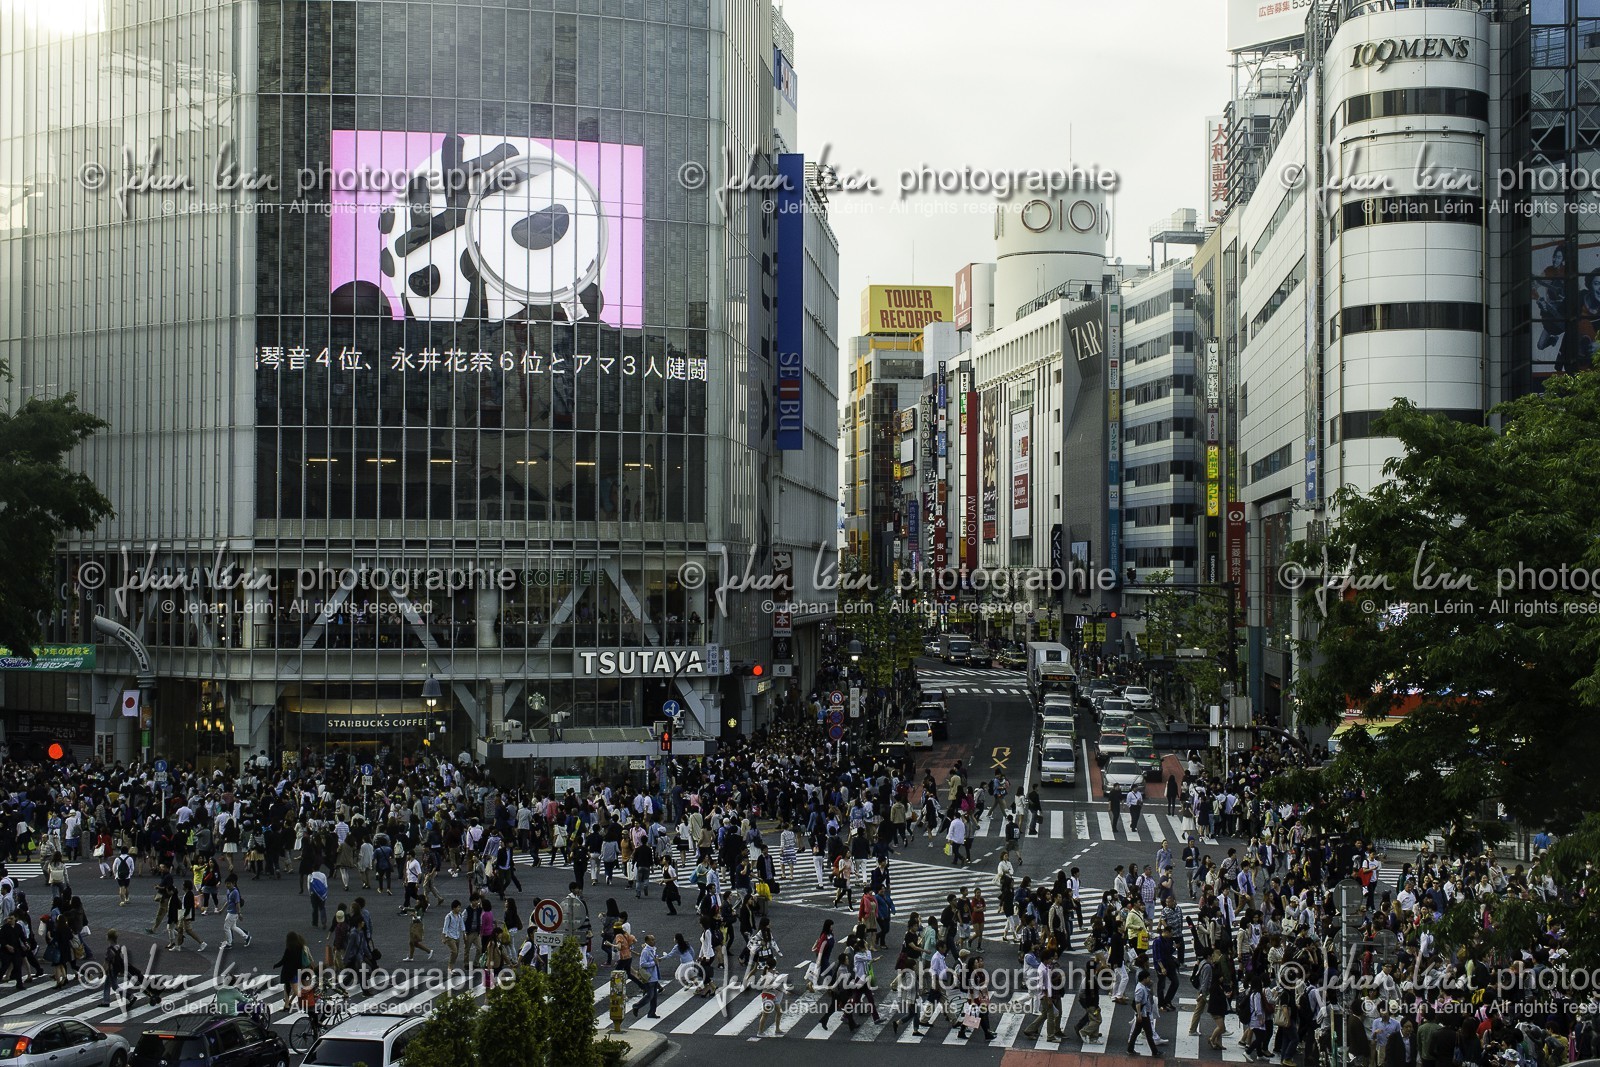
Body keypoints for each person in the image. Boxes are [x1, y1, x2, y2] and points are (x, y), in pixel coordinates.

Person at [274, 931, 312, 1011]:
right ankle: (287, 1005)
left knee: (295, 989)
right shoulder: (300, 948)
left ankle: (308, 1002)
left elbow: (284, 960)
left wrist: (276, 965)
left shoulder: (289, 948)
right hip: (297, 970)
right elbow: (300, 961)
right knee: (288, 987)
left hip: (288, 971)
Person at [1127, 968, 1161, 1056]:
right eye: (1148, 977)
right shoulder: (1140, 989)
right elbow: (1138, 1003)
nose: (1149, 979)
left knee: (1136, 1032)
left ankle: (1130, 1049)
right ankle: (1155, 1052)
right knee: (1149, 1033)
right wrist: (1139, 1015)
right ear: (1144, 978)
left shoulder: (1143, 987)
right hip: (1143, 1014)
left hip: (1144, 1013)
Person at [221, 873, 252, 949]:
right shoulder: (228, 891)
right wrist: (222, 909)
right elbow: (228, 901)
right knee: (233, 927)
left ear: (233, 884)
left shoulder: (235, 892)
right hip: (230, 911)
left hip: (233, 913)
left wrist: (239, 913)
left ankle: (229, 943)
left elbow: (237, 903)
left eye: (229, 884)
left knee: (226, 927)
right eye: (226, 884)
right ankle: (246, 937)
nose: (227, 885)